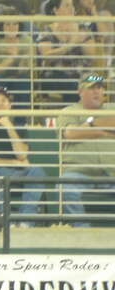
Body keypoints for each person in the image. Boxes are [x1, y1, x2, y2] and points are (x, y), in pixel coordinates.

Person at [0, 87, 46, 226]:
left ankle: (26, 221)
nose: (1, 103)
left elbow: (22, 154)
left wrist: (9, 127)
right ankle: (4, 222)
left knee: (37, 171)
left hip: (18, 173)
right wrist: (14, 162)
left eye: (4, 100)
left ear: (10, 105)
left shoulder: (19, 128)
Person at [57, 72, 115, 226]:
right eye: (91, 88)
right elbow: (70, 133)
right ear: (80, 92)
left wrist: (88, 129)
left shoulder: (112, 108)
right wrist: (99, 126)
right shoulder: (69, 111)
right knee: (64, 187)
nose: (97, 91)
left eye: (99, 87)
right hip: (78, 172)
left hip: (111, 171)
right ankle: (83, 231)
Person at [38, 0, 97, 104]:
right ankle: (74, 116)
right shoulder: (47, 31)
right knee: (73, 84)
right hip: (55, 75)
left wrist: (82, 40)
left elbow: (92, 55)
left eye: (72, 5)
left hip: (83, 74)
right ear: (56, 10)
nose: (71, 8)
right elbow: (47, 55)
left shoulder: (82, 28)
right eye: (66, 5)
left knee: (96, 80)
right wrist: (70, 45)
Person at [0, 8, 32, 118]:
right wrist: (12, 58)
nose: (12, 28)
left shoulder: (26, 40)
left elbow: (26, 69)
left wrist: (21, 60)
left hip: (19, 77)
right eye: (7, 24)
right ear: (1, 26)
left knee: (23, 82)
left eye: (15, 24)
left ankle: (20, 123)